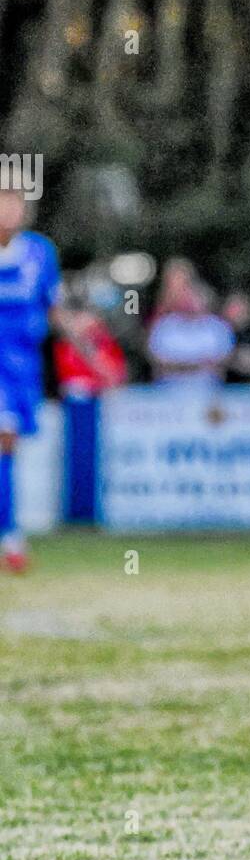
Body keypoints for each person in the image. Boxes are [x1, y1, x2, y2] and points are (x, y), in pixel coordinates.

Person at [0, 188, 62, 572]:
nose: (10, 209)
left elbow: (51, 307)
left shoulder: (40, 252)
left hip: (23, 367)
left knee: (9, 448)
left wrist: (85, 345)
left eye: (16, 202)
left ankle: (9, 533)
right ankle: (11, 537)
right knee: (4, 437)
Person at [147, 280, 235, 388]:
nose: (190, 303)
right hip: (168, 389)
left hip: (208, 389)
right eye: (187, 299)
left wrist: (181, 364)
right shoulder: (164, 326)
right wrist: (196, 364)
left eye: (195, 298)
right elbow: (158, 360)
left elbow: (223, 360)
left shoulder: (218, 328)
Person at [53, 295, 128, 397]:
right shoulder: (63, 346)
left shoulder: (104, 343)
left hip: (102, 397)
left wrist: (88, 350)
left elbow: (114, 378)